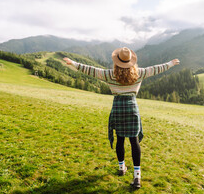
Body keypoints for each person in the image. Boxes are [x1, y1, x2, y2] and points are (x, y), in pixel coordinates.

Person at [63, 47, 180, 188]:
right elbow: (156, 69)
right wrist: (170, 64)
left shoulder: (109, 75)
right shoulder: (139, 73)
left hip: (118, 108)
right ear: (131, 62)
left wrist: (73, 63)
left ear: (116, 62)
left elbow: (90, 70)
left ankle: (121, 168)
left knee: (120, 139)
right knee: (134, 141)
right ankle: (137, 177)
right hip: (132, 108)